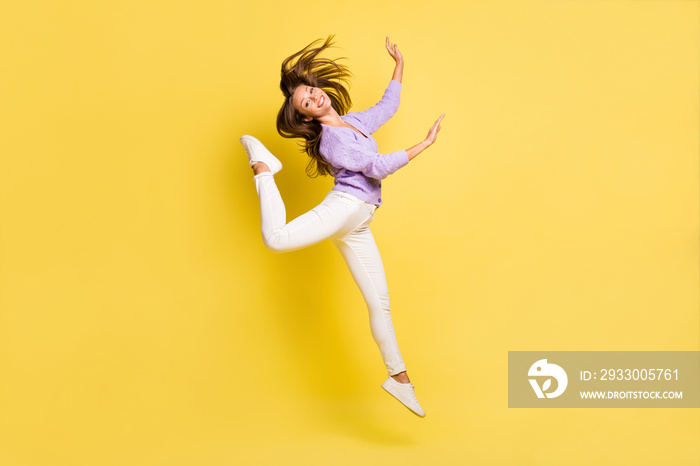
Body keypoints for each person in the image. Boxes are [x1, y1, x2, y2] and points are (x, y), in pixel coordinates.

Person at [239, 35, 444, 417]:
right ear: (304, 116)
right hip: (346, 207)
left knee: (379, 303)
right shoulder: (333, 141)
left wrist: (399, 63)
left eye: (312, 91)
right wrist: (423, 144)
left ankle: (398, 379)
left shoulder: (352, 122)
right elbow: (377, 167)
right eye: (305, 102)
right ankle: (264, 167)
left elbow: (388, 106)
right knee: (275, 239)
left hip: (358, 222)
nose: (314, 97)